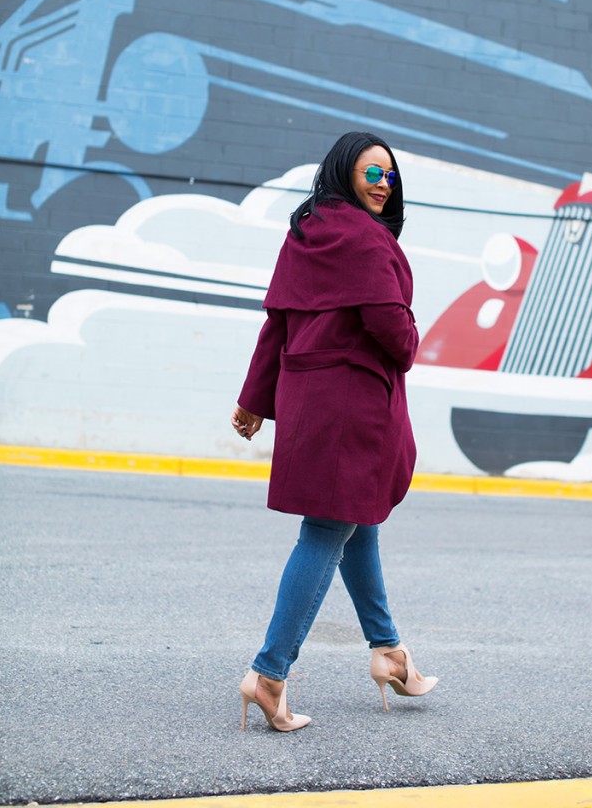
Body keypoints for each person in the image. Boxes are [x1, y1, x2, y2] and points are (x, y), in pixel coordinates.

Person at [231, 131, 437, 732]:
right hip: (353, 406)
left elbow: (278, 326)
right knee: (327, 530)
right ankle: (269, 674)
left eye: (390, 176)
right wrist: (410, 332)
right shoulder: (368, 242)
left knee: (357, 522)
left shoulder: (304, 233)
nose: (383, 184)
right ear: (345, 172)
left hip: (308, 403)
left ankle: (390, 653)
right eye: (372, 173)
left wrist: (253, 400)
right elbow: (393, 334)